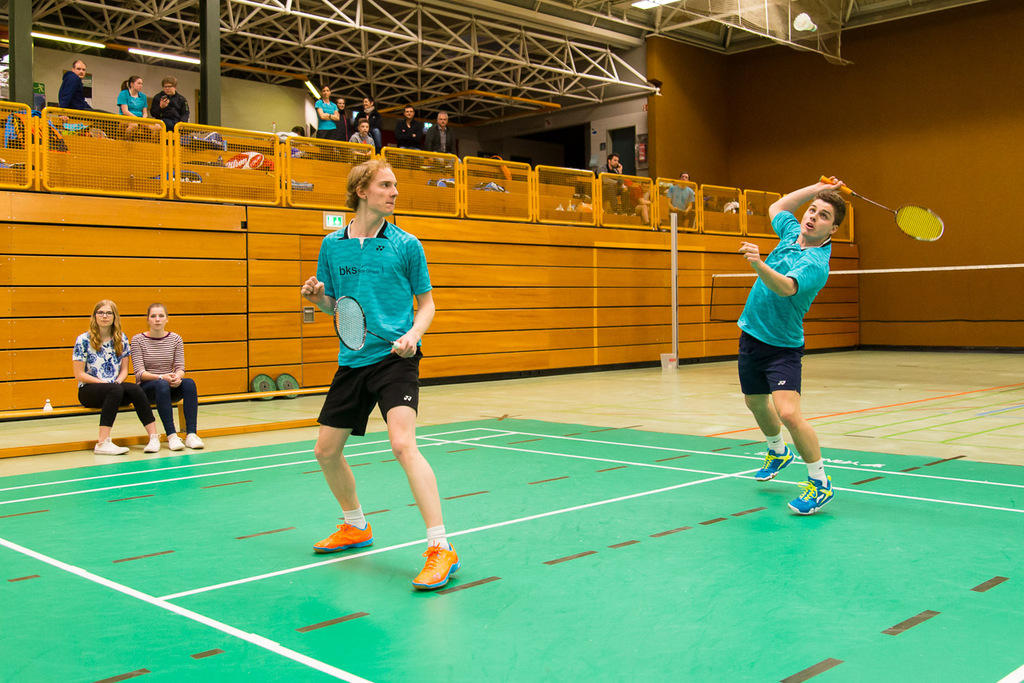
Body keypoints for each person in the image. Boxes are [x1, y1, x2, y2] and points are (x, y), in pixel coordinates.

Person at [299, 158, 459, 591]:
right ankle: (356, 525)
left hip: (396, 357)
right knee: (325, 451)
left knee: (403, 444)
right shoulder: (332, 245)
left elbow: (427, 304)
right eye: (386, 185)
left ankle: (441, 547)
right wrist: (317, 298)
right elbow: (338, 306)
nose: (394, 192)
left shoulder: (407, 244)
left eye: (395, 186)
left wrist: (413, 335)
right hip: (353, 359)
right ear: (362, 191)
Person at [736, 176, 846, 515]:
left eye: (823, 215)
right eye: (812, 210)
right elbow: (777, 207)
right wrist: (817, 189)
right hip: (751, 333)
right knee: (755, 402)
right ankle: (778, 451)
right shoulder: (790, 233)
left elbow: (785, 287)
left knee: (788, 413)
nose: (813, 217)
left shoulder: (817, 264)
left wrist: (758, 264)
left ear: (833, 229)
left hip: (782, 347)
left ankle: (820, 483)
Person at [72, 300, 160, 455]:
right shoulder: (83, 340)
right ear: (95, 316)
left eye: (109, 313)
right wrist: (104, 383)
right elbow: (79, 374)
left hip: (114, 388)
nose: (104, 316)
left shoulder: (121, 338)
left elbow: (124, 370)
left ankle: (153, 437)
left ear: (114, 317)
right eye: (101, 312)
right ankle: (102, 443)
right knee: (114, 389)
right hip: (90, 390)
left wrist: (117, 381)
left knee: (135, 389)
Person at [130, 303, 204, 452]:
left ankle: (191, 434)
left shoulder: (175, 339)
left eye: (161, 316)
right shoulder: (138, 340)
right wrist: (161, 377)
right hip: (148, 388)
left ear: (167, 319)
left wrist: (177, 377)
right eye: (153, 316)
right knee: (161, 384)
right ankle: (172, 436)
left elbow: (180, 367)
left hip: (168, 385)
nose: (157, 319)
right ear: (148, 319)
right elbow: (139, 373)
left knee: (189, 383)